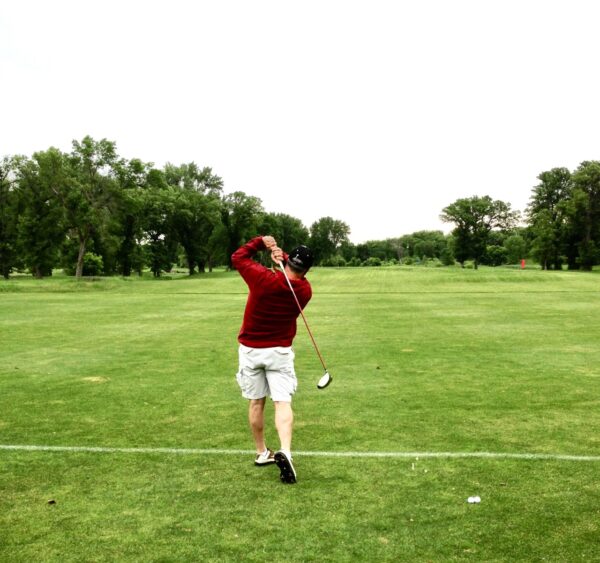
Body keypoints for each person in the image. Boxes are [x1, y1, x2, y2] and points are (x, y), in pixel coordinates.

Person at [232, 235, 314, 484]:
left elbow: (238, 257)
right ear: (306, 269)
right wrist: (282, 256)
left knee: (256, 403)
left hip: (250, 350)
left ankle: (261, 452)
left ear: (288, 262)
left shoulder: (262, 278)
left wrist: (260, 243)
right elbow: (295, 272)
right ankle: (285, 451)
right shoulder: (305, 290)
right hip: (279, 352)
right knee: (282, 402)